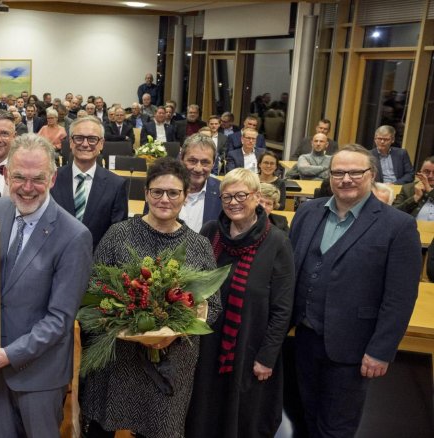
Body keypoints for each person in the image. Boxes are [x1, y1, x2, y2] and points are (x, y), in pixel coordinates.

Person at [80, 157, 220, 437]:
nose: (164, 199)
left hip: (171, 360)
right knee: (103, 423)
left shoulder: (198, 246)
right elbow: (94, 290)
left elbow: (212, 305)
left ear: (186, 195)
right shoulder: (119, 235)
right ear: (146, 193)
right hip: (119, 356)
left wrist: (175, 331)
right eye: (157, 191)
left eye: (173, 193)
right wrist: (122, 323)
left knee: (159, 427)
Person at [288, 144, 421, 437]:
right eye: (338, 172)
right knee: (304, 417)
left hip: (353, 348)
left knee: (336, 427)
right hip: (303, 339)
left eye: (355, 172)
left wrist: (380, 351)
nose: (345, 179)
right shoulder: (308, 212)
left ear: (371, 174)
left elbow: (399, 298)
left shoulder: (398, 226)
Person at [0, 134, 93, 436]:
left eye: (38, 179)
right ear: (5, 175)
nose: (27, 188)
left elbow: (60, 320)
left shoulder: (74, 235)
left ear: (52, 178)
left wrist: (11, 354)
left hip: (40, 373)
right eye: (19, 177)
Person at [187, 168, 295, 438]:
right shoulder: (212, 232)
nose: (233, 202)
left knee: (241, 422)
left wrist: (266, 357)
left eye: (241, 195)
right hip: (207, 347)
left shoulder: (276, 241)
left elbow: (283, 308)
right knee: (204, 417)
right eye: (226, 197)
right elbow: (193, 282)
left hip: (249, 351)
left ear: (257, 197)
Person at [49, 116, 127, 248]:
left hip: (97, 263)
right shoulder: (51, 178)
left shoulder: (116, 185)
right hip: (54, 261)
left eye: (92, 139)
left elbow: (118, 236)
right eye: (79, 138)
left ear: (101, 143)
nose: (85, 144)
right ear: (71, 142)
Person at [178, 134, 222, 232]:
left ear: (213, 163)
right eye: (192, 161)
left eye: (205, 162)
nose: (198, 169)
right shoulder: (162, 189)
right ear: (181, 159)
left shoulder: (223, 192)